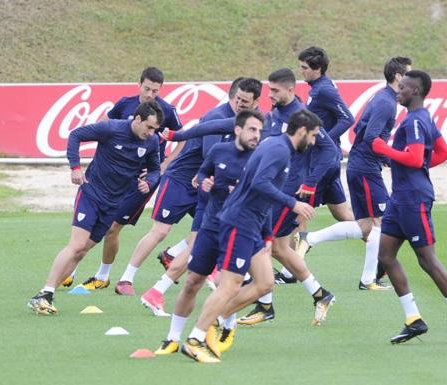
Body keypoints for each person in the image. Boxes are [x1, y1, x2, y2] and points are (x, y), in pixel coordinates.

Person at [180, 110, 319, 363]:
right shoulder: (279, 150)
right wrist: (293, 203)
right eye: (312, 136)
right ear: (301, 132)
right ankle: (195, 338)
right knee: (230, 285)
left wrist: (267, 235)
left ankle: (217, 320)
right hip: (240, 223)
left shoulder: (276, 146)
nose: (313, 142)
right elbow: (259, 184)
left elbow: (263, 192)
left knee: (265, 282)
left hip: (253, 225)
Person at [114, 78, 262, 298]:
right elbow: (211, 155)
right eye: (238, 99)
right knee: (160, 230)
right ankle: (126, 278)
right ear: (232, 95)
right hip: (182, 180)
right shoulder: (217, 117)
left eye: (245, 101)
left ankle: (173, 260)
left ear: (256, 103)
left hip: (205, 184)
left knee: (210, 230)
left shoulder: (247, 123)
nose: (240, 104)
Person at [28, 101, 162, 315]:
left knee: (82, 251)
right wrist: (75, 167)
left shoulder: (151, 141)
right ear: (137, 119)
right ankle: (45, 293)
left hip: (113, 204)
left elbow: (155, 169)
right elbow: (75, 135)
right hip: (90, 194)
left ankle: (46, 294)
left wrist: (149, 181)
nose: (152, 132)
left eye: (155, 129)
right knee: (76, 244)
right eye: (149, 127)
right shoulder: (111, 128)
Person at [153, 109, 265, 356]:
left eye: (259, 130)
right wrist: (204, 182)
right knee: (193, 282)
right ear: (237, 130)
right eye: (252, 129)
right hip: (211, 226)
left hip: (239, 230)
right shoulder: (219, 151)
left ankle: (223, 326)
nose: (257, 135)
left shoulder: (261, 160)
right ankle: (172, 338)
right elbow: (202, 174)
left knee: (230, 283)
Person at [296, 56, 412, 290]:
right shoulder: (386, 103)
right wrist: (389, 157)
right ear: (398, 77)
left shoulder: (384, 98)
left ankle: (311, 239)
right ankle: (368, 279)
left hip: (362, 165)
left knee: (365, 226)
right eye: (409, 74)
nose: (413, 80)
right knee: (381, 222)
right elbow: (370, 136)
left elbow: (360, 128)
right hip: (366, 168)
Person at [372, 70, 447, 345]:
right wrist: (415, 164)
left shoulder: (414, 122)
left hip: (413, 199)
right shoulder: (423, 118)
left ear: (414, 91)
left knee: (427, 260)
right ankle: (413, 319)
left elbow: (414, 159)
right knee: (385, 256)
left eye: (402, 87)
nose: (397, 91)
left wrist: (383, 149)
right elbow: (443, 152)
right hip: (400, 198)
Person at [237, 69, 337, 326]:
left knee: (259, 246)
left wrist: (310, 183)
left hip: (285, 193)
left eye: (275, 90)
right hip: (274, 191)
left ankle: (264, 304)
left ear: (290, 90)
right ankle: (320, 294)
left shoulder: (301, 116)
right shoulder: (274, 114)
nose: (269, 94)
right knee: (280, 249)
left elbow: (330, 151)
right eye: (269, 90)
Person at [72, 67, 182, 290]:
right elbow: (106, 125)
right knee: (91, 223)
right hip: (114, 178)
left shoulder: (167, 111)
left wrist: (162, 166)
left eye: (156, 90)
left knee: (113, 228)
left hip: (140, 181)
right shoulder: (125, 103)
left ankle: (102, 276)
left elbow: (183, 138)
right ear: (138, 84)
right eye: (147, 88)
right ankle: (70, 269)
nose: (151, 94)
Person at [274, 46, 356, 283]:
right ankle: (378, 245)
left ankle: (291, 269)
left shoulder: (324, 90)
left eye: (305, 68)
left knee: (299, 211)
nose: (301, 72)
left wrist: (323, 140)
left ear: (317, 69)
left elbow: (347, 117)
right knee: (341, 213)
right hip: (326, 160)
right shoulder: (316, 89)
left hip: (321, 161)